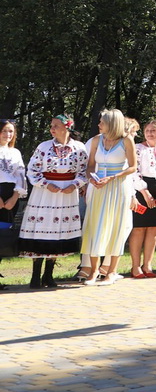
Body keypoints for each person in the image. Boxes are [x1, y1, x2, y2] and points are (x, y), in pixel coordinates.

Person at [21, 115, 89, 288]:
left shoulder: (78, 148)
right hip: (44, 194)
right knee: (42, 230)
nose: (52, 129)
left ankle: (48, 275)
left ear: (67, 128)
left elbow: (83, 172)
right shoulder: (44, 146)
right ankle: (35, 276)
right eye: (52, 126)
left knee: (58, 231)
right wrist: (45, 184)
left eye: (56, 126)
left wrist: (74, 185)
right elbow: (32, 170)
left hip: (66, 195)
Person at [80, 108, 138, 285]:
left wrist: (113, 177)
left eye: (102, 122)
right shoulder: (97, 140)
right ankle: (93, 272)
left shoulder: (126, 141)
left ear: (112, 124)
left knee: (116, 226)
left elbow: (133, 167)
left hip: (117, 188)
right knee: (94, 225)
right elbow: (90, 166)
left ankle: (111, 272)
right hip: (98, 188)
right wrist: (92, 179)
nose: (99, 125)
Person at [127, 119, 156, 279]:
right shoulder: (138, 148)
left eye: (153, 130)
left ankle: (147, 264)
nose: (150, 133)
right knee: (139, 228)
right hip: (142, 189)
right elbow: (135, 170)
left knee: (154, 228)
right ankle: (135, 266)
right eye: (147, 130)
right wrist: (144, 192)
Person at [0, 119, 28, 289]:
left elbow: (21, 176)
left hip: (10, 196)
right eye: (4, 131)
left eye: (10, 131)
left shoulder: (15, 153)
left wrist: (15, 197)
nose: (7, 135)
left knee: (2, 237)